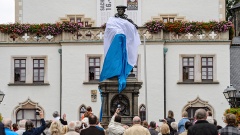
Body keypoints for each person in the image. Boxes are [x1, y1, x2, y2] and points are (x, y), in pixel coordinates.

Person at [100, 5, 141, 93]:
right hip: (117, 42)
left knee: (127, 56)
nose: (120, 11)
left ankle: (127, 71)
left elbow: (135, 27)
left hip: (125, 43)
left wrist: (131, 26)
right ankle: (115, 71)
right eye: (118, 10)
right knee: (116, 57)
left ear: (124, 11)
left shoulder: (127, 20)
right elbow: (109, 27)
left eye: (121, 10)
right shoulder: (112, 20)